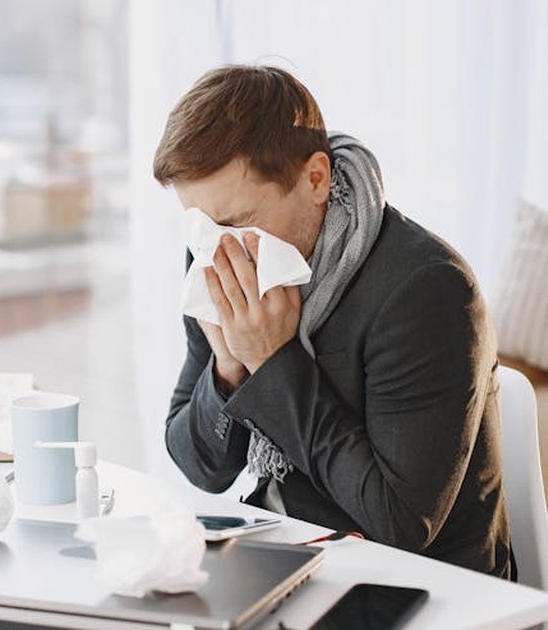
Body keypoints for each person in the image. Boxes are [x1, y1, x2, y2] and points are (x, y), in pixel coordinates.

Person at [157, 65, 513, 579]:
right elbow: (202, 469)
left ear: (316, 180)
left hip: (419, 582)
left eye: (235, 222)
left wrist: (273, 362)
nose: (216, 247)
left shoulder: (426, 289)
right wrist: (229, 368)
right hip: (280, 549)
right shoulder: (216, 254)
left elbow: (401, 525)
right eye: (199, 223)